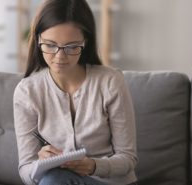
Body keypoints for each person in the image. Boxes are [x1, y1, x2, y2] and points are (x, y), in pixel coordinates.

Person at [13, 0, 137, 184]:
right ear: (38, 39)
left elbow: (128, 159)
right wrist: (40, 164)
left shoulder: (110, 82)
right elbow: (25, 169)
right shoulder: (27, 92)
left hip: (110, 182)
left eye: (71, 47)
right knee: (53, 178)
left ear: (85, 42)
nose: (59, 57)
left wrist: (94, 166)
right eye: (50, 45)